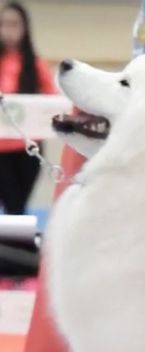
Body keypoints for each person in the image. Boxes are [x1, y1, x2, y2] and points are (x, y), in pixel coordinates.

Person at [0, 1, 57, 215]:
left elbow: (52, 99)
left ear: (24, 28)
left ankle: (16, 246)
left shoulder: (35, 64)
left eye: (14, 24)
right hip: (0, 149)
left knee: (18, 207)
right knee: (11, 205)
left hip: (27, 147)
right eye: (4, 24)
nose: (8, 30)